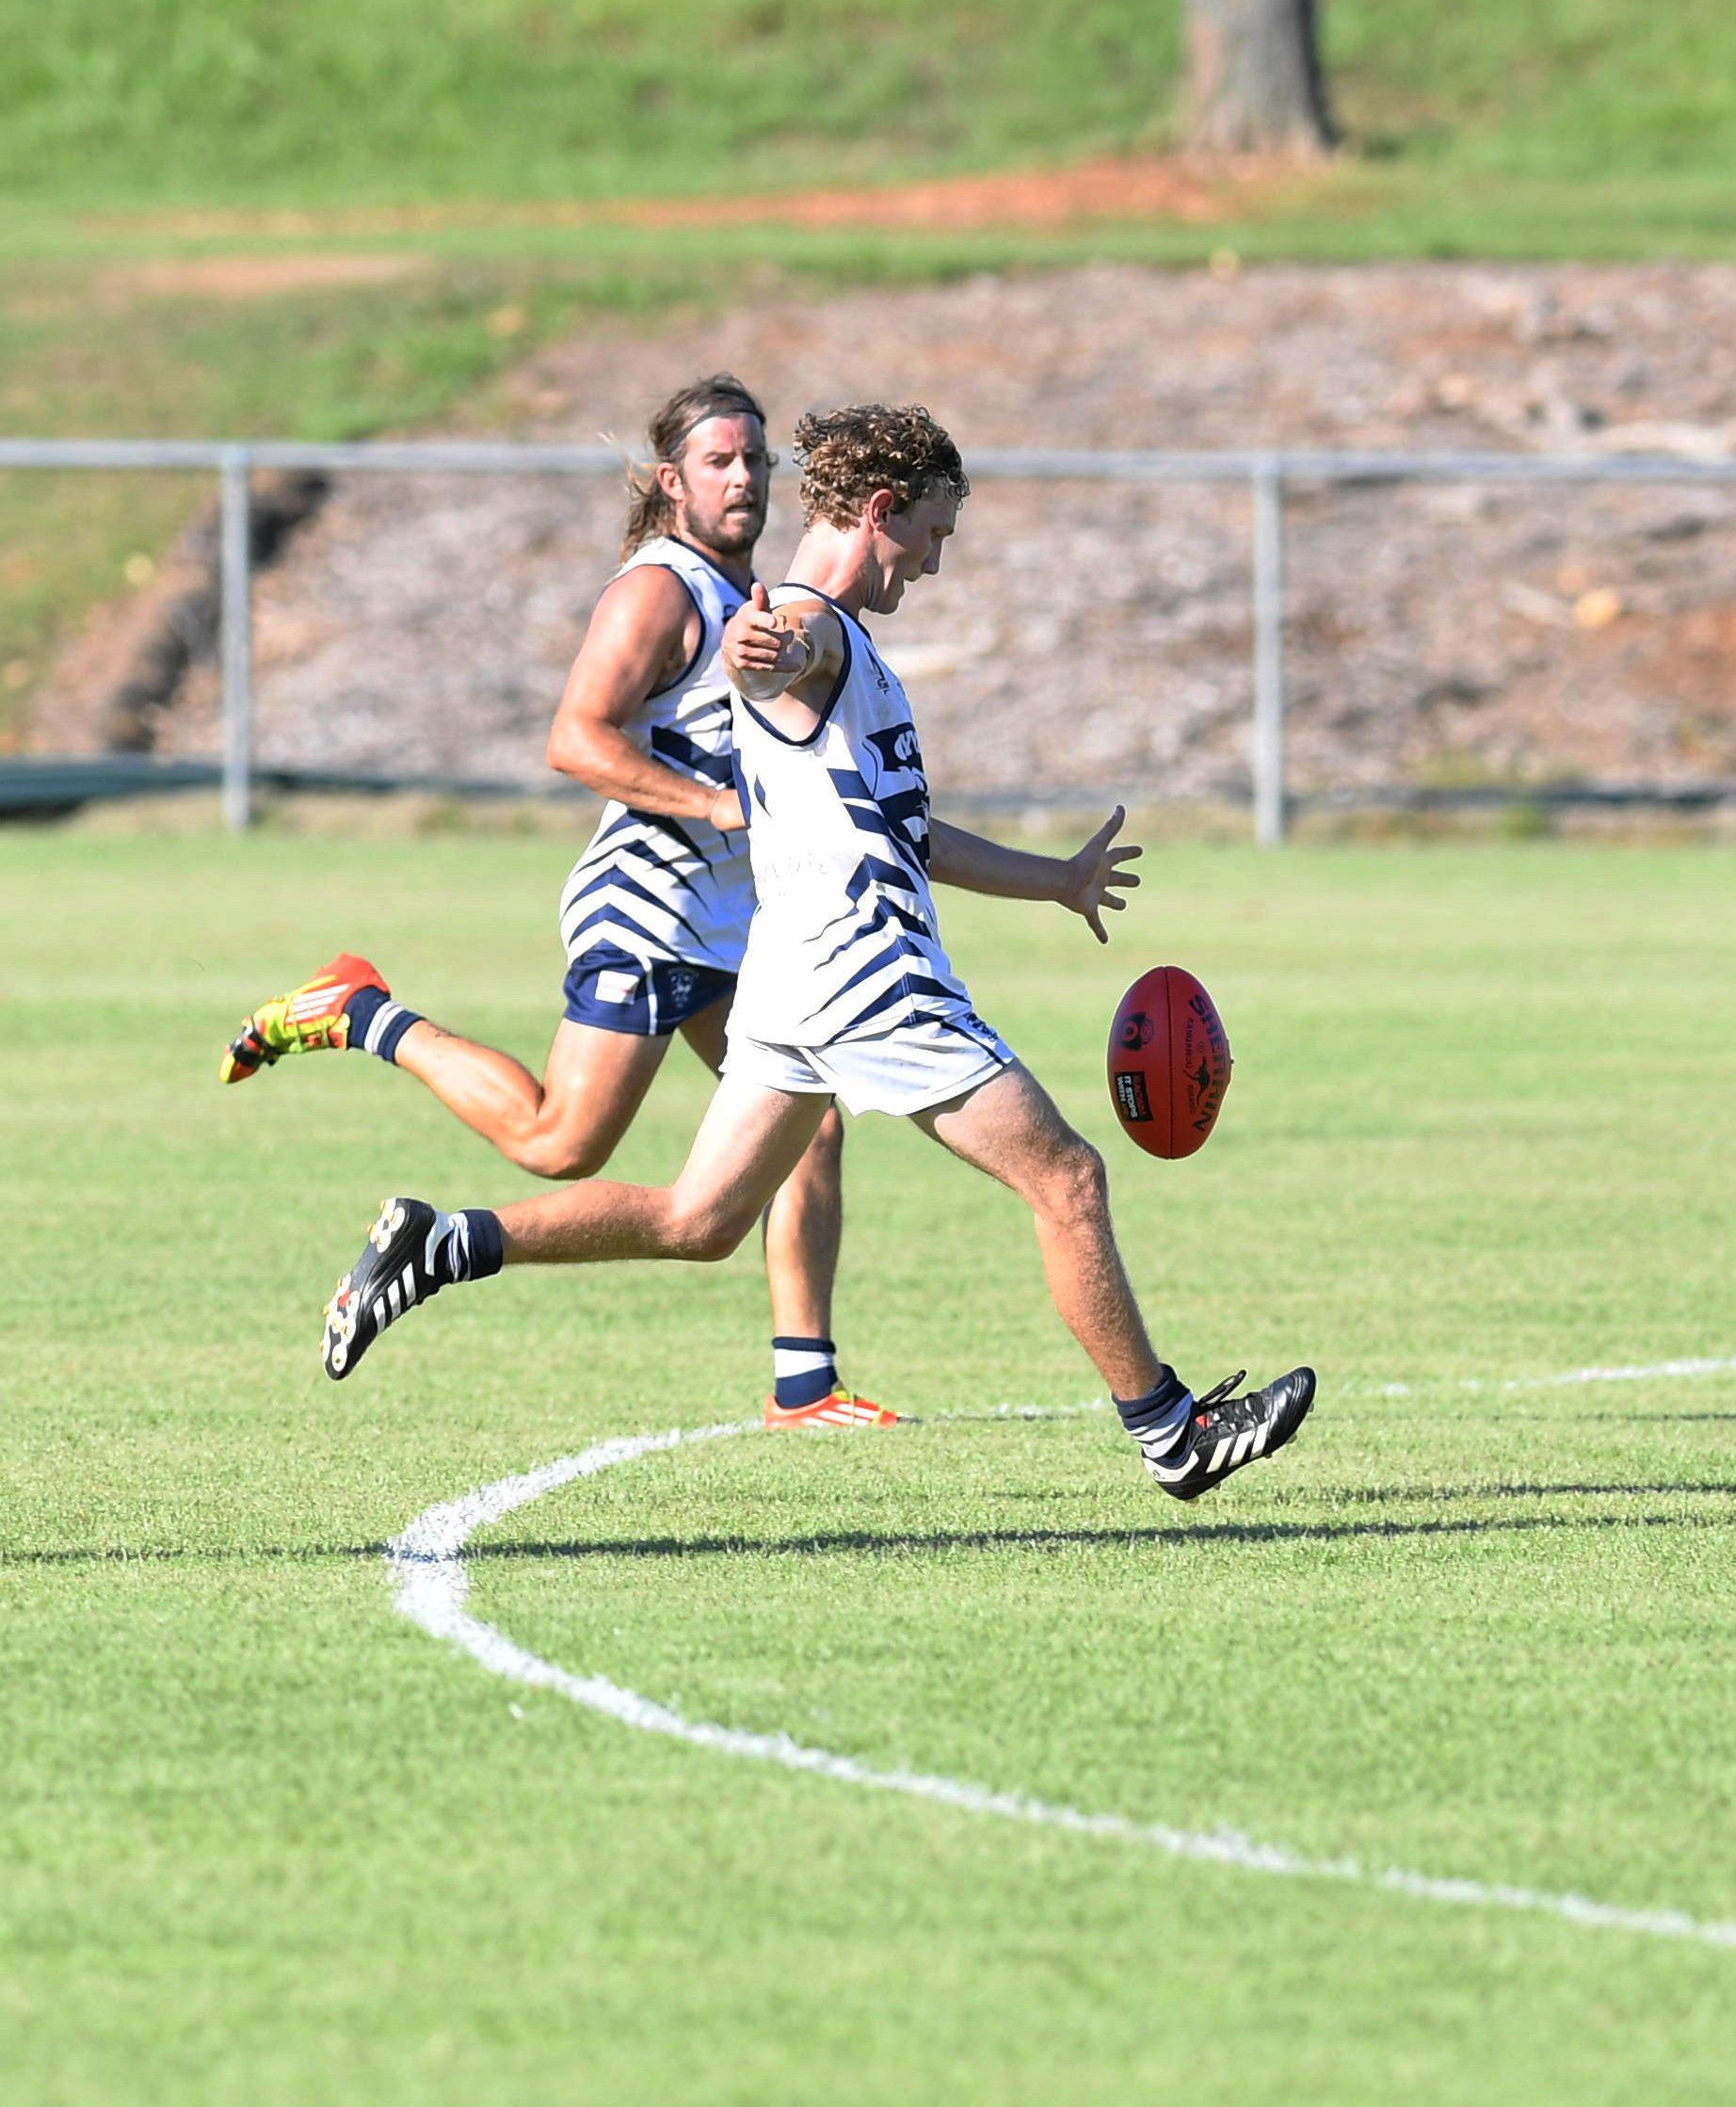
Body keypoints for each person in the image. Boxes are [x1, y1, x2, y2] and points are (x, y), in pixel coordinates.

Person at [315, 402, 1316, 1501]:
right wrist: (761, 652)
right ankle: (1169, 1430)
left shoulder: (850, 647)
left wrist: (1056, 880)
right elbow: (771, 654)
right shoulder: (809, 626)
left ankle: (442, 1241)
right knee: (1067, 1177)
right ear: (880, 511)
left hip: (790, 981)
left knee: (698, 1222)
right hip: (867, 978)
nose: (932, 565)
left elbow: (906, 830)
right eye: (930, 537)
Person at [217, 374, 898, 1431]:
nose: (745, 479)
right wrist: (718, 807)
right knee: (556, 1142)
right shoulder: (656, 592)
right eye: (720, 461)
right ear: (672, 481)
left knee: (807, 1125)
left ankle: (802, 1384)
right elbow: (575, 737)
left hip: (730, 922)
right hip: (649, 908)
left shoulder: (744, 596)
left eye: (756, 460)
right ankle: (359, 1012)